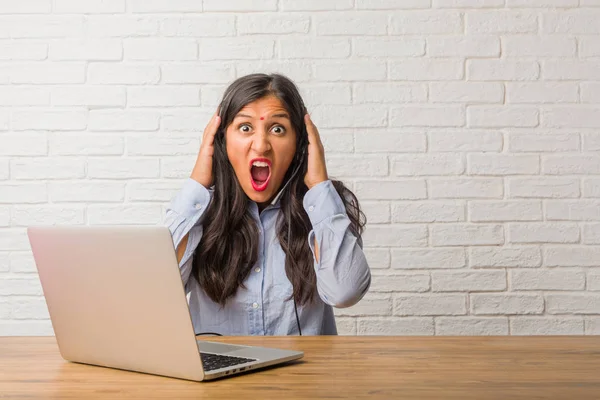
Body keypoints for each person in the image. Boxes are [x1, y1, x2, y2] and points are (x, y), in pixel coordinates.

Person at [164, 73, 371, 336]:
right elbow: (155, 292)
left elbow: (345, 292)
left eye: (277, 129)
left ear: (300, 144)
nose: (261, 146)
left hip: (305, 376)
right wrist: (197, 183)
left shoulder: (325, 207)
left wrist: (319, 185)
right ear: (222, 141)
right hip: (219, 376)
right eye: (245, 128)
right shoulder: (197, 210)